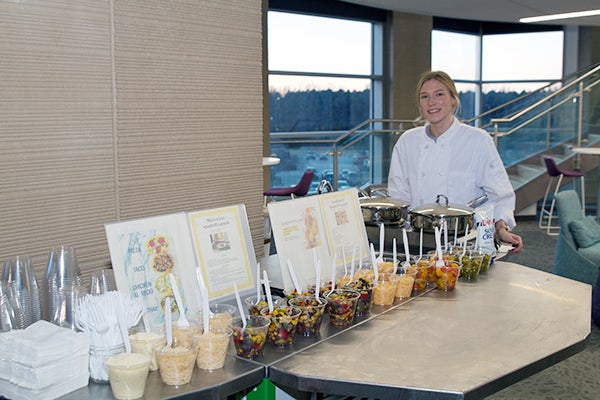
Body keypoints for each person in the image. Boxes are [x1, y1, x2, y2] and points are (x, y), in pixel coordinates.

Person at [388, 70, 523, 254]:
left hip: (466, 243)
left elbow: (498, 194)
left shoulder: (478, 140)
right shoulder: (407, 141)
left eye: (439, 94)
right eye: (425, 96)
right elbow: (398, 196)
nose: (432, 102)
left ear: (453, 99)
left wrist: (501, 228)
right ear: (420, 104)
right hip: (417, 242)